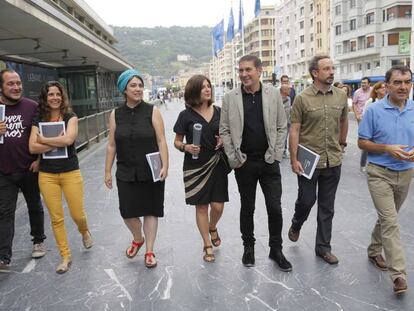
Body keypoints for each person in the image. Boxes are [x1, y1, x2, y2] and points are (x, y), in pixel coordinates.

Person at [220, 55, 291, 271]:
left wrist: (277, 154)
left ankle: (276, 249)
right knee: (247, 207)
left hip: (269, 162)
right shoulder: (230, 97)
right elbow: (224, 129)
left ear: (260, 71)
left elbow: (281, 126)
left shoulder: (272, 95)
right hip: (244, 164)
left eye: (248, 69)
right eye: (240, 70)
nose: (243, 74)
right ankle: (248, 247)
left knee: (275, 208)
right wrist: (234, 158)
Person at [358, 66, 414, 295]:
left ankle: (373, 249)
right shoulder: (374, 110)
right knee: (390, 221)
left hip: (406, 172)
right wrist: (386, 148)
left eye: (407, 82)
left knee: (387, 218)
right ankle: (399, 274)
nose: (403, 87)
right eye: (398, 82)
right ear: (387, 85)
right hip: (379, 172)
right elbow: (362, 143)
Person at [105, 69, 168, 269]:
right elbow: (111, 145)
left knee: (151, 210)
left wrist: (165, 165)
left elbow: (161, 139)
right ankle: (137, 238)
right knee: (127, 212)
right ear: (124, 89)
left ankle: (149, 250)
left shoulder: (153, 111)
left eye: (140, 85)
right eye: (133, 85)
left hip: (151, 168)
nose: (138, 89)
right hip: (125, 170)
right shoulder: (115, 114)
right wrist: (107, 171)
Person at [288, 55, 348, 265]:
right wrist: (294, 158)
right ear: (315, 73)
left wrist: (341, 143)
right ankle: (297, 223)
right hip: (308, 161)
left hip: (333, 160)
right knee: (306, 200)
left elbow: (343, 120)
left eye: (333, 68)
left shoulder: (341, 96)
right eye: (326, 69)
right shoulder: (302, 98)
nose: (332, 72)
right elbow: (294, 130)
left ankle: (323, 247)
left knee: (327, 206)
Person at [29, 81, 92, 274]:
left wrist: (44, 140)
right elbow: (32, 147)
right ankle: (65, 256)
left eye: (58, 94)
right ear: (45, 98)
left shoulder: (70, 116)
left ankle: (84, 231)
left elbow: (69, 139)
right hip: (47, 175)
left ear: (62, 97)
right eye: (50, 95)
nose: (54, 98)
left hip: (70, 171)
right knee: (56, 218)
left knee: (77, 214)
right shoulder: (38, 118)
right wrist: (55, 143)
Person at [173, 75, 229, 263]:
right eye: (203, 87)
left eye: (209, 86)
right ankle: (207, 244)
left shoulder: (220, 111)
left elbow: (227, 133)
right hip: (195, 166)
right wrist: (185, 147)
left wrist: (223, 139)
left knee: (218, 206)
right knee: (202, 207)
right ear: (194, 91)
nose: (207, 89)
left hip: (217, 163)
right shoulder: (185, 115)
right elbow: (176, 141)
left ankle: (212, 226)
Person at [0, 69, 46, 272]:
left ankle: (38, 240)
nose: (16, 87)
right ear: (1, 87)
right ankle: (4, 256)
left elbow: (40, 135)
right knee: (4, 213)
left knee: (34, 206)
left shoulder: (32, 107)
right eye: (10, 83)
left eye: (18, 83)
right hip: (3, 171)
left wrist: (38, 159)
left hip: (29, 167)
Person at [359, 81, 387, 171]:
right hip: (372, 127)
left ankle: (380, 164)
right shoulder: (371, 101)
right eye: (382, 87)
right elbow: (364, 114)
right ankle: (363, 165)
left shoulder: (388, 101)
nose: (384, 89)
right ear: (376, 90)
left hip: (383, 127)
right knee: (367, 147)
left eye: (385, 87)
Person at [280, 83, 291, 159]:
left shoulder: (289, 99)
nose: (290, 90)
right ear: (284, 90)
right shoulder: (277, 98)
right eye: (288, 89)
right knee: (280, 137)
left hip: (287, 122)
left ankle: (284, 151)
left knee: (285, 137)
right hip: (279, 123)